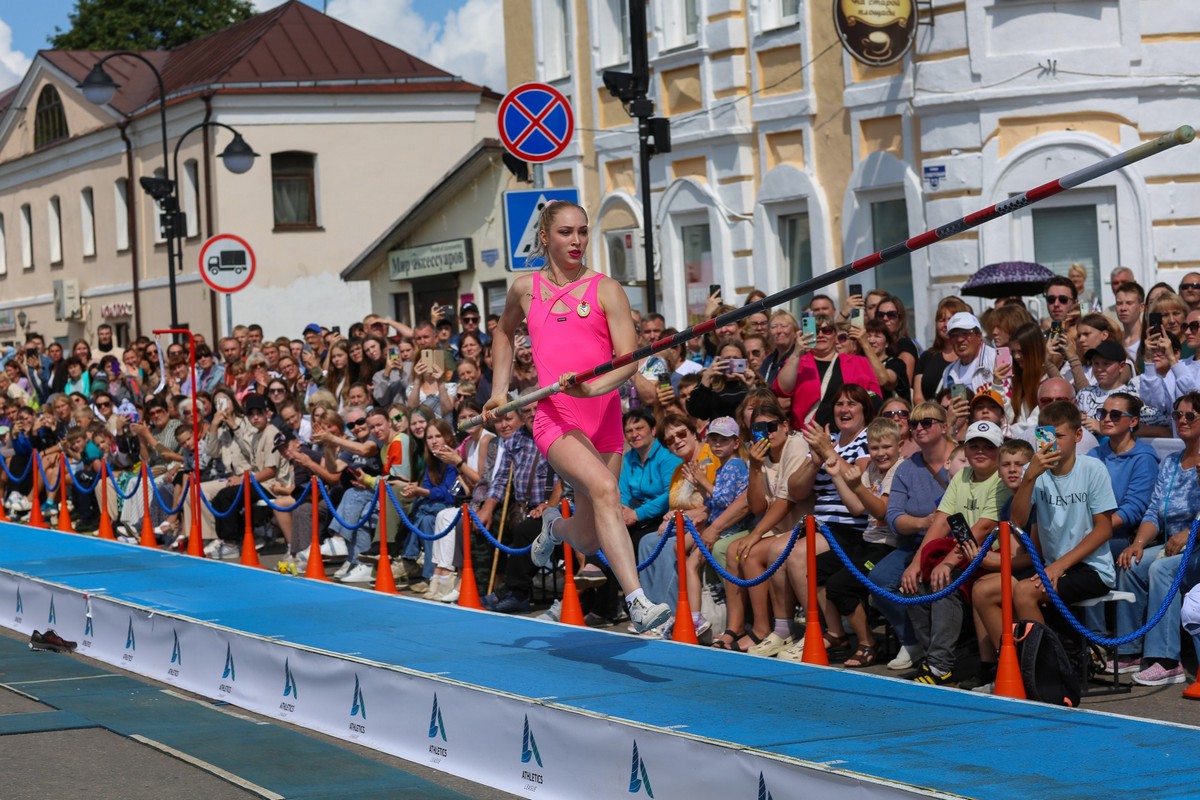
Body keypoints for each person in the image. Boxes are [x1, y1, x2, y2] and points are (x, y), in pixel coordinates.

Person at [483, 201, 673, 632]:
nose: (577, 241)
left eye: (583, 232)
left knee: (587, 535)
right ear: (546, 237)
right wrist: (498, 392)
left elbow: (629, 362)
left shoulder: (607, 289)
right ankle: (638, 602)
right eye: (567, 232)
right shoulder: (524, 289)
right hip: (556, 415)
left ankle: (554, 527)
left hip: (604, 414)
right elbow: (503, 332)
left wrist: (592, 387)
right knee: (607, 490)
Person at [982, 401, 1117, 649]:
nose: (1052, 442)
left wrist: (1057, 567)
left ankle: (1048, 666)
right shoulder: (1035, 473)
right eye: (1045, 436)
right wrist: (1030, 477)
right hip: (1053, 566)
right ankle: (1008, 662)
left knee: (1024, 592)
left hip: (1092, 568)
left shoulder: (1092, 469)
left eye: (1060, 436)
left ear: (1078, 436)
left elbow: (1104, 529)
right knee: (984, 591)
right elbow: (1017, 521)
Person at [902, 420, 1010, 685]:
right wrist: (917, 562)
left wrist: (948, 563)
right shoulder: (962, 475)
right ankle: (934, 659)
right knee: (910, 583)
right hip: (964, 555)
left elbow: (983, 529)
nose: (981, 451)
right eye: (975, 446)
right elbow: (941, 520)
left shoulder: (1002, 480)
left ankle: (940, 666)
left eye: (989, 446)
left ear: (1000, 451)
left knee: (944, 583)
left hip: (988, 559)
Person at [1112, 392, 1200, 683]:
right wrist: (1137, 543)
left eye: (1190, 416)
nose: (1181, 420)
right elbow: (1153, 512)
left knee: (1161, 568)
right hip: (1174, 544)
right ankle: (1129, 651)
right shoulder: (1172, 462)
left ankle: (1166, 659)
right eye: (1177, 415)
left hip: (1195, 546)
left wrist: (1189, 535)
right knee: (1132, 561)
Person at [914, 296, 971, 404]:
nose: (945, 325)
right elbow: (918, 397)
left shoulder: (969, 356)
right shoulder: (927, 356)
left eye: (950, 319)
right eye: (941, 320)